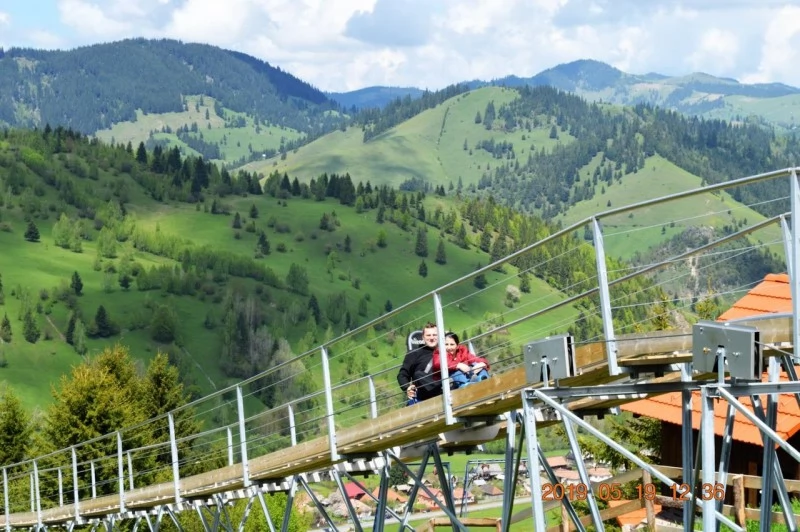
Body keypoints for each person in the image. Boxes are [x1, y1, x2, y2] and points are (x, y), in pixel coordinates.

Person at [397, 322, 442, 405]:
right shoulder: (414, 353)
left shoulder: (444, 351)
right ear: (423, 337)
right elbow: (402, 375)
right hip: (424, 394)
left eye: (434, 335)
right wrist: (407, 387)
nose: (431, 338)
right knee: (419, 375)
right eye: (428, 335)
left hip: (443, 390)